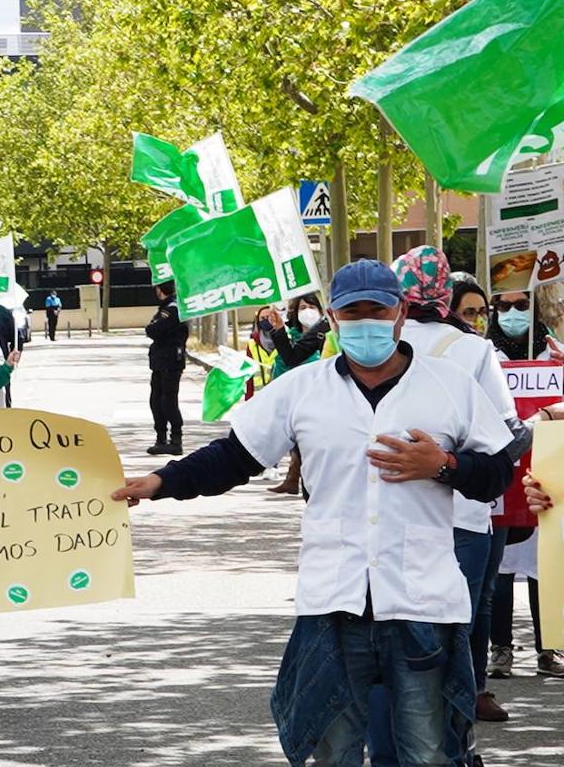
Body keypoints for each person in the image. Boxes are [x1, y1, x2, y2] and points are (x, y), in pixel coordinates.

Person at [115, 260, 515, 767]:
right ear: (333, 316)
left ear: (401, 314)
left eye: (378, 310)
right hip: (335, 602)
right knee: (333, 751)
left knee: (428, 752)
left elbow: (497, 472)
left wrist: (444, 465)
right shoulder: (303, 388)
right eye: (353, 312)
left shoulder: (450, 386)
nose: (366, 322)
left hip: (422, 605)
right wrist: (161, 482)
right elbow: (236, 456)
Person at [379, 247, 531, 760]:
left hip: (386, 522)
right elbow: (507, 441)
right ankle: (454, 748)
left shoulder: (376, 348)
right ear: (446, 295)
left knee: (394, 638)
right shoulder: (473, 351)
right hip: (464, 519)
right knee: (457, 639)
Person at [484, 289, 564, 682]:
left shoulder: (556, 355)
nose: (513, 314)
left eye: (522, 306)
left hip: (550, 475)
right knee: (500, 565)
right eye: (504, 306)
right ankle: (500, 649)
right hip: (503, 471)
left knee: (544, 563)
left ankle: (549, 647)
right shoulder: (485, 356)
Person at [262, 294, 329, 495]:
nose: (307, 311)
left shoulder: (326, 328)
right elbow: (291, 357)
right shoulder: (302, 333)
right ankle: (296, 479)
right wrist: (279, 330)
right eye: (302, 307)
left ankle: (298, 479)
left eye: (311, 306)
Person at [144, 281, 188, 456]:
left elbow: (153, 330)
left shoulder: (172, 309)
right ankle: (161, 438)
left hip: (170, 362)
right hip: (161, 362)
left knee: (168, 401)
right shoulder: (168, 308)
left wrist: (152, 327)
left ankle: (175, 440)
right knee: (156, 400)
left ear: (159, 290)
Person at [244, 306, 278, 400]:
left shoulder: (287, 339)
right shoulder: (252, 344)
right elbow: (249, 377)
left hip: (281, 396)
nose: (266, 321)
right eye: (262, 318)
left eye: (269, 317)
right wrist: (248, 401)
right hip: (260, 398)